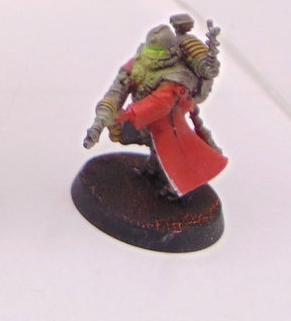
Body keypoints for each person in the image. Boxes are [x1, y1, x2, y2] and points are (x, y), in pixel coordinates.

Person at [83, 19, 226, 197]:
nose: (150, 56)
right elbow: (119, 87)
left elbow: (161, 103)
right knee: (149, 143)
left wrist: (127, 114)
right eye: (149, 51)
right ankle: (153, 167)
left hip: (169, 120)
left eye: (156, 52)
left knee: (172, 152)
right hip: (144, 117)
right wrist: (107, 109)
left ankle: (174, 186)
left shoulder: (177, 75)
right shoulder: (140, 62)